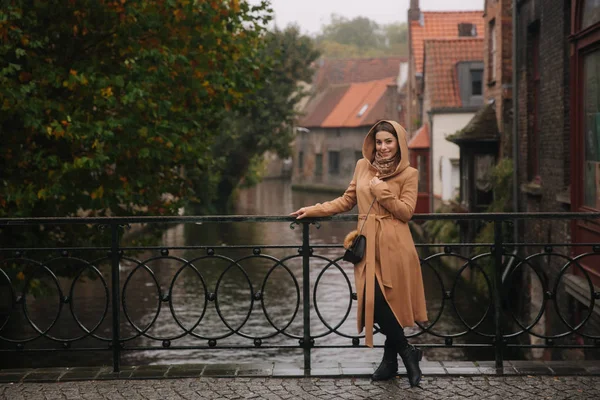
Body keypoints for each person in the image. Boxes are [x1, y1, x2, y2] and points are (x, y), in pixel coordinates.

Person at [290, 120, 428, 386]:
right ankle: (408, 352)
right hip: (368, 247)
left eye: (389, 141)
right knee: (374, 301)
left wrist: (382, 192)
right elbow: (346, 200)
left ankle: (390, 363)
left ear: (398, 143)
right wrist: (314, 210)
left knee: (391, 305)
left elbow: (406, 212)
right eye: (379, 142)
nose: (383, 147)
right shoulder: (362, 167)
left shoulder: (409, 173)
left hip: (397, 247)